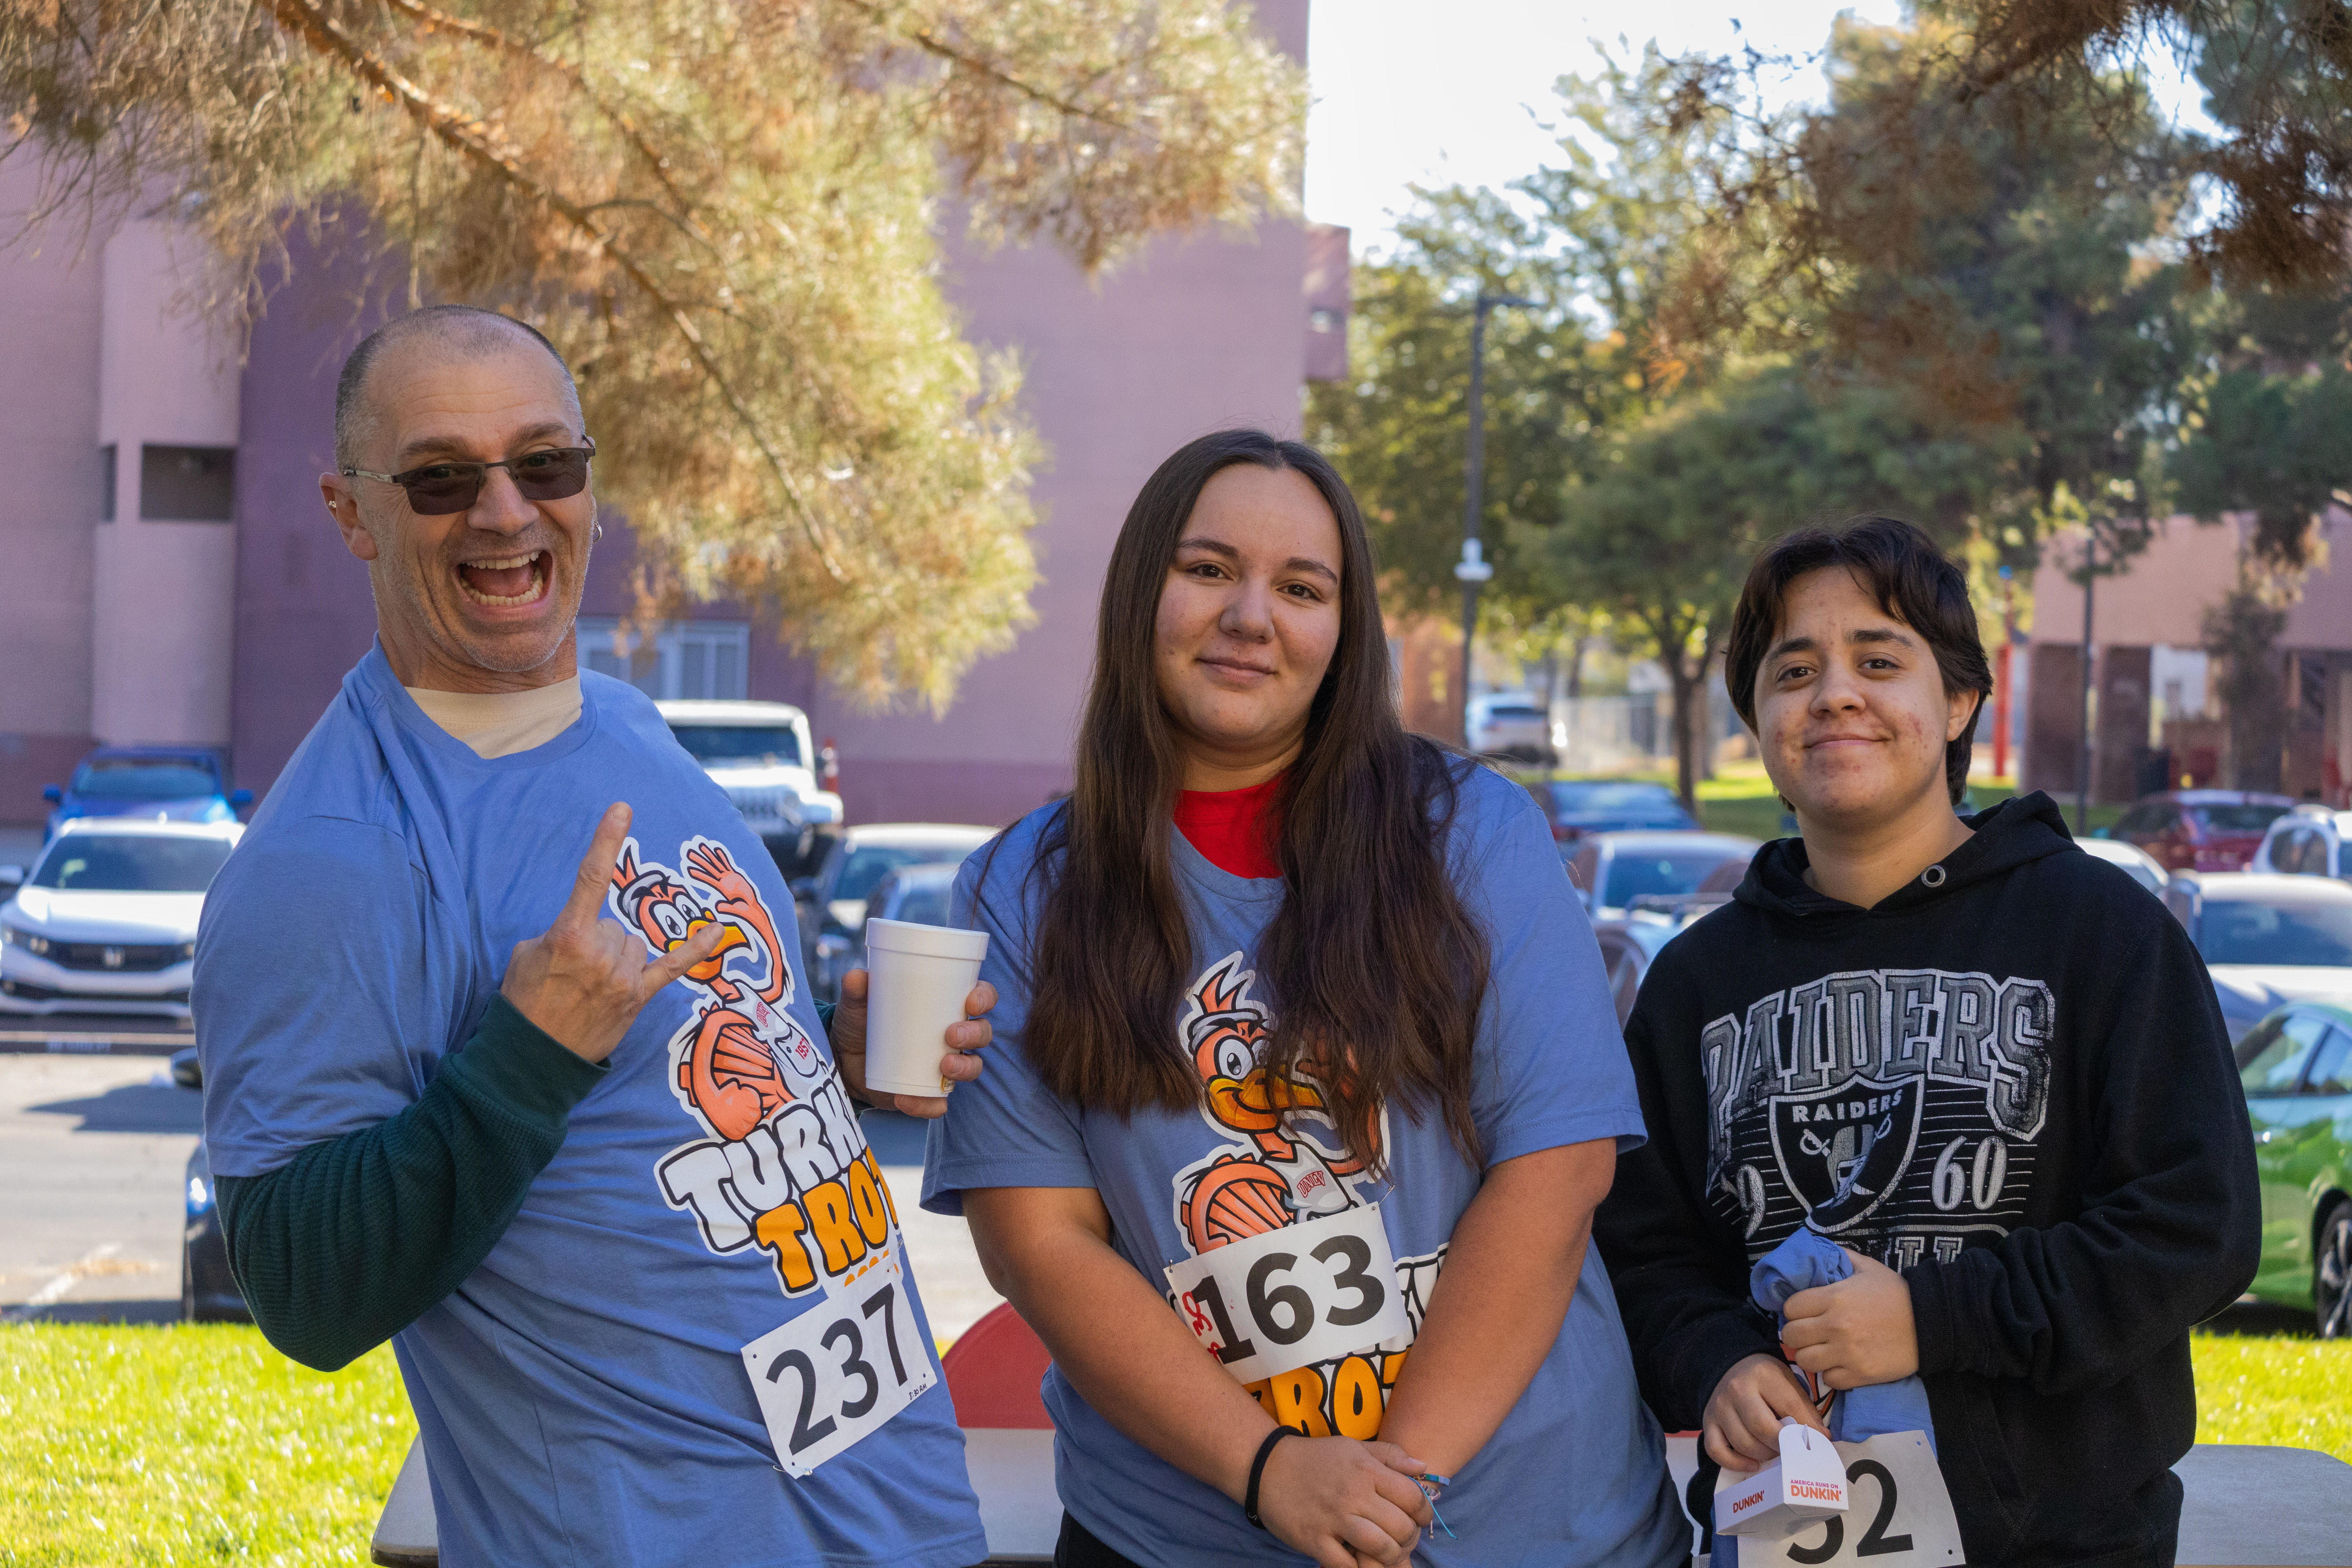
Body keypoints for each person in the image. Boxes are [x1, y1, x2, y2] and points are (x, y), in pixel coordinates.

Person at [195, 304, 996, 1568]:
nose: (506, 513)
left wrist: (816, 1056)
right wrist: (528, 1053)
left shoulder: (628, 726)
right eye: (442, 478)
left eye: (545, 464)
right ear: (352, 512)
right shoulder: (329, 858)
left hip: (899, 1515)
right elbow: (300, 1289)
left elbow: (669, 1088)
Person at [921, 429, 1691, 1568]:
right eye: (1208, 570)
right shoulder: (1020, 889)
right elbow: (1043, 1243)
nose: (1251, 617)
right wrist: (1270, 1471)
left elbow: (1559, 1168)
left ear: (1344, 631)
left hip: (1534, 1528)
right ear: (1143, 590)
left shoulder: (1474, 832)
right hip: (1177, 1535)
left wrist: (1389, 1498)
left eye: (1301, 587)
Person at [1593, 516, 2261, 1566]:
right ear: (1759, 720)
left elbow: (2197, 1223)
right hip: (1783, 1538)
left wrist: (1934, 1319)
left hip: (2061, 1544)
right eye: (1793, 670)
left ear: (1959, 701)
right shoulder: (1695, 985)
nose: (1835, 695)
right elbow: (1637, 1252)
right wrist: (1717, 1361)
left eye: (1878, 659)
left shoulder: (2101, 933)